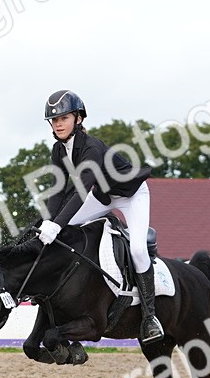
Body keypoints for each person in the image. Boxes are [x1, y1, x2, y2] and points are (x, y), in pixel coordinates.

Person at [38, 89, 163, 342]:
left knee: (138, 250)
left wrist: (56, 224)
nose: (58, 124)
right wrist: (50, 222)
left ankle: (150, 317)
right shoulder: (58, 150)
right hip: (105, 196)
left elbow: (81, 191)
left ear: (78, 119)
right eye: (54, 120)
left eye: (63, 118)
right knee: (63, 230)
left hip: (132, 195)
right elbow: (59, 190)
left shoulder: (92, 147)